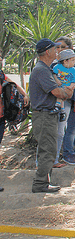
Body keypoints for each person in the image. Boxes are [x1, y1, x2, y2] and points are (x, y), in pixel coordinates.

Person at [30, 39, 74, 193]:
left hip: (47, 115)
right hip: (44, 116)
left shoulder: (45, 69)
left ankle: (43, 182)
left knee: (49, 149)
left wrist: (64, 92)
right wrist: (66, 92)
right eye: (55, 49)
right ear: (47, 52)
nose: (58, 52)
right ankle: (40, 184)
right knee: (47, 150)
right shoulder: (42, 70)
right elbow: (57, 92)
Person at [0, 55, 29, 192]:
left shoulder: (1, 74)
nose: (0, 59)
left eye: (1, 57)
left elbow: (12, 83)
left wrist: (24, 94)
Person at [52, 49, 75, 166]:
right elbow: (53, 76)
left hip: (66, 97)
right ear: (66, 60)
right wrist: (57, 81)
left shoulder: (73, 70)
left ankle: (55, 159)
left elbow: (74, 82)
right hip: (56, 97)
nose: (74, 62)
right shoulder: (56, 67)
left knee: (60, 132)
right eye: (72, 60)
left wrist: (70, 88)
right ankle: (46, 160)